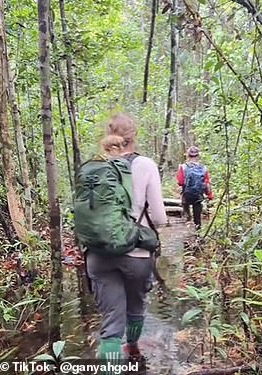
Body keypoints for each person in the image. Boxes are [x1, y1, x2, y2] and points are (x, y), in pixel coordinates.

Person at [85, 113, 167, 363]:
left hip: (99, 254)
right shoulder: (145, 165)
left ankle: (110, 366)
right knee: (135, 309)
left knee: (111, 319)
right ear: (134, 136)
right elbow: (160, 217)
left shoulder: (94, 166)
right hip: (137, 254)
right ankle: (132, 348)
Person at [176, 146, 213, 230]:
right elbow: (207, 183)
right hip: (198, 196)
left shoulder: (183, 167)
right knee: (198, 218)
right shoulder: (203, 168)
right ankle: (198, 234)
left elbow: (180, 182)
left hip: (186, 195)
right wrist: (209, 195)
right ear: (198, 156)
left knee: (186, 211)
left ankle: (188, 224)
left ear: (188, 155)